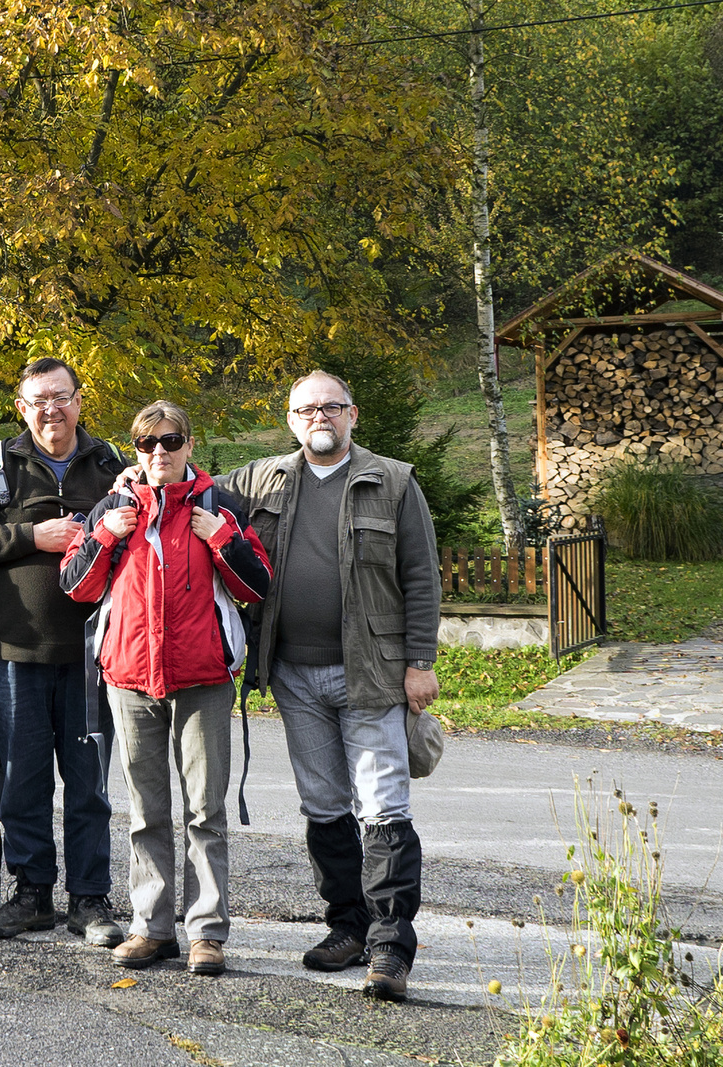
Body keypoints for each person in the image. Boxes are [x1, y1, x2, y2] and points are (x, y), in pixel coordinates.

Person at [218, 370, 440, 1001]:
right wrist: (132, 477)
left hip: (370, 674)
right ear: (291, 420)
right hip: (292, 674)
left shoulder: (393, 481)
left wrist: (419, 661)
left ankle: (392, 947)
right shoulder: (261, 480)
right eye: (306, 409)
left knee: (383, 806)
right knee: (324, 807)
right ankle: (348, 927)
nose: (319, 417)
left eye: (331, 407)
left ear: (353, 414)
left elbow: (421, 576)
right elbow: (189, 488)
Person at [60, 401, 271, 976]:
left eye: (170, 441)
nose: (159, 452)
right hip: (129, 678)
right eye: (146, 443)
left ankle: (206, 933)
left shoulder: (222, 507)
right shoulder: (113, 505)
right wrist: (104, 535)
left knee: (205, 811)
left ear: (189, 444)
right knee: (145, 811)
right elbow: (76, 589)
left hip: (203, 679)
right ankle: (151, 927)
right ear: (135, 450)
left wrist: (223, 539)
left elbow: (258, 586)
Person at [0, 357, 130, 945]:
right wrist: (32, 535)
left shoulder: (113, 466)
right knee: (24, 779)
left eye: (62, 397)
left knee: (89, 783)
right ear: (22, 408)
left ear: (80, 401)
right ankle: (30, 894)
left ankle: (90, 900)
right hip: (14, 650)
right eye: (38, 400)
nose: (52, 409)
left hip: (93, 653)